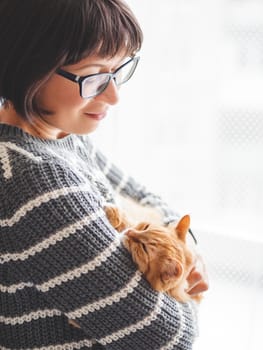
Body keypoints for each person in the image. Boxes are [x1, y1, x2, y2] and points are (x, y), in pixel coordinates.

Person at [0, 1, 208, 349]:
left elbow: (150, 202)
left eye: (118, 71)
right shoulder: (33, 179)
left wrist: (186, 254)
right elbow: (169, 338)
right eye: (95, 76)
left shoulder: (61, 136)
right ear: (30, 66)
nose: (114, 95)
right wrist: (180, 280)